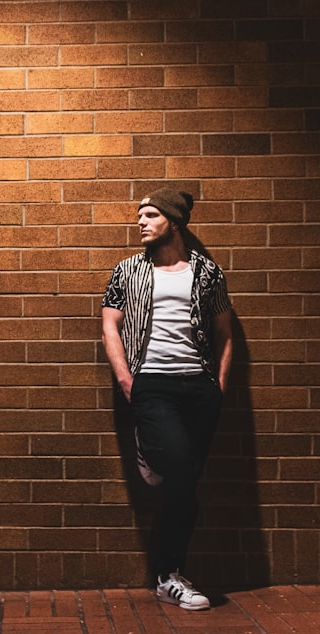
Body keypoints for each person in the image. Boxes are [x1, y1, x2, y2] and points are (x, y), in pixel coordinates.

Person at [101, 188, 233, 611]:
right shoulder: (127, 271)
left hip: (198, 387)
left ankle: (169, 574)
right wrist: (128, 382)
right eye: (139, 214)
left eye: (150, 214)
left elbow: (225, 334)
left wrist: (219, 386)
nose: (140, 221)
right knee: (179, 473)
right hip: (151, 384)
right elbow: (110, 326)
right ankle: (168, 575)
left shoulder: (207, 273)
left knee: (185, 485)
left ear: (174, 223)